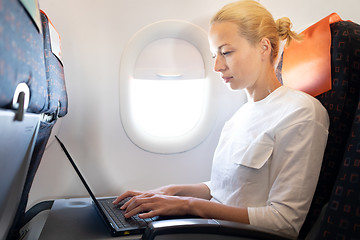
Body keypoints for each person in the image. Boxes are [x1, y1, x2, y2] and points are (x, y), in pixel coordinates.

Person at [113, 0, 329, 238]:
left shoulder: (302, 113)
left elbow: (284, 222)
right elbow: (224, 190)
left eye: (226, 52)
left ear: (263, 47)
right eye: (215, 54)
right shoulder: (241, 115)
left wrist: (188, 206)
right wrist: (173, 191)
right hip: (213, 229)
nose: (216, 66)